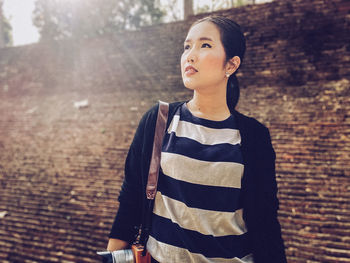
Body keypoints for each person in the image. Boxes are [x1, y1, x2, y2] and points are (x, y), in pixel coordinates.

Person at [107, 16, 287, 263]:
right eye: (187, 46)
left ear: (231, 65)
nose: (190, 56)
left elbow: (265, 223)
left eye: (205, 45)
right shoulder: (159, 120)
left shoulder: (254, 137)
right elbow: (130, 202)